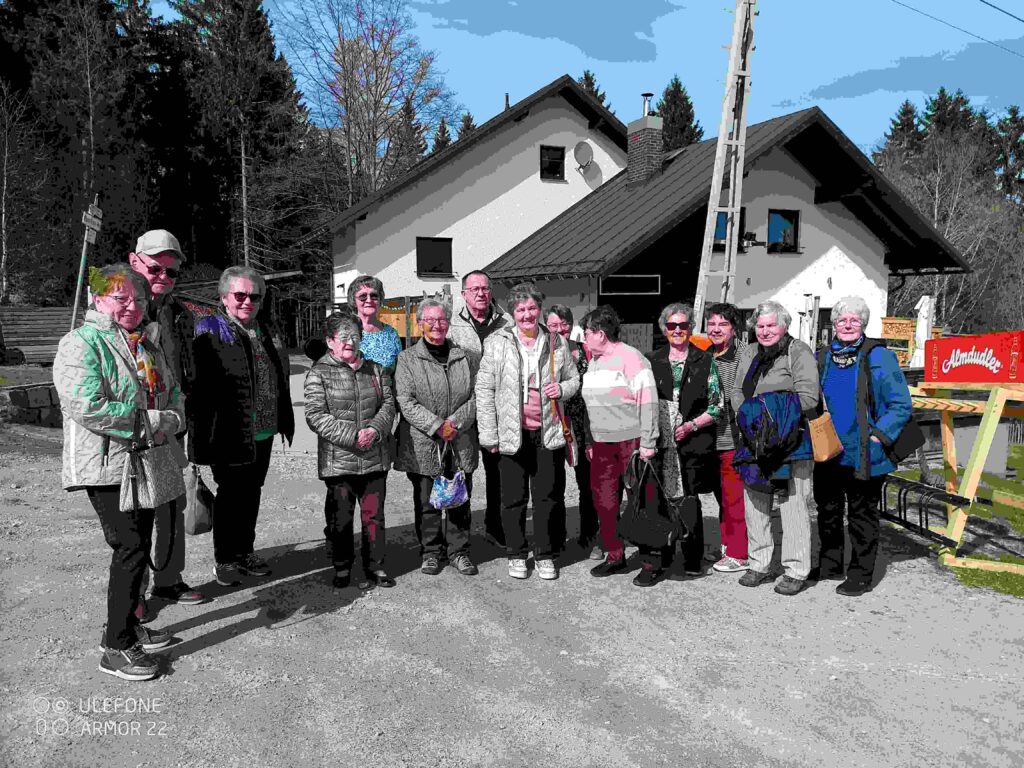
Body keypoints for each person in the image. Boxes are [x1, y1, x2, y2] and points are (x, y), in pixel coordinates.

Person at [54, 265, 182, 681]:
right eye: (120, 298)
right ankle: (116, 646)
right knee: (129, 547)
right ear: (97, 300)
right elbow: (86, 405)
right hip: (108, 465)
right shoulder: (81, 343)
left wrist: (173, 417)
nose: (132, 306)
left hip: (143, 459)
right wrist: (151, 421)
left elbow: (172, 392)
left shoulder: (145, 343)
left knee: (138, 545)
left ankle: (125, 626)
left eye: (139, 299)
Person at [187, 266, 294, 587]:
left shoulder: (267, 329)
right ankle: (225, 559)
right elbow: (198, 387)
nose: (248, 301)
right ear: (224, 297)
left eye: (255, 296)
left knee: (252, 492)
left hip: (264, 429)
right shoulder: (209, 329)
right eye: (240, 295)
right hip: (228, 431)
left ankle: (245, 551)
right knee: (230, 495)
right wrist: (198, 439)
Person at [476, 284, 580, 580]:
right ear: (512, 312)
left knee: (547, 497)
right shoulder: (497, 341)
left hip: (548, 432)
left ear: (540, 309)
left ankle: (545, 555)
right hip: (511, 432)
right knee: (513, 499)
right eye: (520, 309)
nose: (527, 314)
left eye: (532, 308)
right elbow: (484, 389)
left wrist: (562, 389)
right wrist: (488, 434)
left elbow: (574, 379)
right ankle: (517, 553)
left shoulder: (556, 341)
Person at [815, 296, 913, 596]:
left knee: (861, 515)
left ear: (864, 324)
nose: (847, 325)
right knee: (828, 510)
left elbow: (900, 404)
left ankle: (860, 574)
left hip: (864, 452)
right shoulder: (824, 357)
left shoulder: (879, 356)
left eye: (854, 320)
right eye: (842, 320)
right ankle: (830, 564)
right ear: (833, 324)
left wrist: (878, 436)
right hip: (828, 450)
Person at [127, 229, 204, 607]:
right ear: (134, 261)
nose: (163, 277)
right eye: (155, 268)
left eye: (171, 271)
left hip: (174, 426)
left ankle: (169, 580)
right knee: (137, 514)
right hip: (134, 430)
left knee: (173, 505)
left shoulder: (179, 313)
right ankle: (133, 594)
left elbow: (189, 371)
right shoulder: (121, 308)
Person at [731, 300, 818, 596]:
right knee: (755, 502)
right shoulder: (750, 352)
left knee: (794, 506)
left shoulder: (798, 351)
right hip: (754, 439)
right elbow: (736, 390)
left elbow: (809, 397)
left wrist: (767, 410)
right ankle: (759, 563)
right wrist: (747, 415)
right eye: (760, 326)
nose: (765, 331)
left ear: (784, 326)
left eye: (771, 325)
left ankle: (796, 569)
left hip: (790, 440)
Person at [305, 311, 397, 590]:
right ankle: (342, 566)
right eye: (343, 336)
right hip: (339, 461)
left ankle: (375, 565)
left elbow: (388, 405)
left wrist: (375, 431)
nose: (350, 341)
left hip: (374, 457)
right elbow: (315, 415)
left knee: (374, 517)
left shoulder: (375, 369)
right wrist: (353, 436)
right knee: (340, 518)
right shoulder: (319, 373)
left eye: (355, 336)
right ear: (330, 341)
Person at [394, 298, 480, 576]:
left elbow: (477, 395)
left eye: (442, 319)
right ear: (419, 323)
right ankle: (430, 552)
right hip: (424, 442)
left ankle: (459, 551)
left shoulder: (465, 357)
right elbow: (405, 401)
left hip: (460, 438)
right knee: (427, 501)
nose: (436, 325)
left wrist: (455, 422)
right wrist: (436, 425)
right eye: (429, 320)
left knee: (459, 498)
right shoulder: (407, 359)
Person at [640, 302, 723, 586]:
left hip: (693, 441)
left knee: (688, 500)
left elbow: (717, 405)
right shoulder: (651, 360)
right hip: (659, 442)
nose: (677, 330)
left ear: (691, 328)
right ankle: (659, 557)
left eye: (683, 325)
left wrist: (690, 426)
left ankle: (691, 558)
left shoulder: (705, 360)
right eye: (672, 325)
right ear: (664, 329)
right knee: (659, 499)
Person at [579, 305, 659, 578]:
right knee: (605, 502)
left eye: (586, 333)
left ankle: (650, 562)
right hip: (602, 445)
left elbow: (648, 401)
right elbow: (591, 406)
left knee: (640, 502)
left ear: (600, 334)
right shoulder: (594, 362)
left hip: (631, 442)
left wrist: (648, 442)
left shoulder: (632, 358)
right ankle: (615, 555)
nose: (584, 338)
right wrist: (591, 441)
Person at [447, 270, 511, 546]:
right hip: (465, 409)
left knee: (500, 473)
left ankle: (495, 527)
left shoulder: (507, 322)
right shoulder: (451, 324)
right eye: (474, 289)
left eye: (485, 288)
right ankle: (459, 537)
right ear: (463, 294)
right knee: (463, 471)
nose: (481, 293)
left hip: (498, 409)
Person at [546, 304, 600, 560]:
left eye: (564, 324)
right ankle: (555, 539)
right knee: (553, 485)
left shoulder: (585, 351)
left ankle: (590, 535)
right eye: (553, 325)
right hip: (554, 424)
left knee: (588, 483)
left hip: (583, 425)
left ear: (572, 324)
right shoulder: (542, 353)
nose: (559, 330)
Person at [704, 302, 750, 573]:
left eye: (723, 324)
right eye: (711, 324)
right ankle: (726, 546)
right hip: (712, 438)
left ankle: (739, 553)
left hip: (734, 437)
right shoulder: (706, 354)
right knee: (722, 497)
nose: (716, 329)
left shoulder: (745, 355)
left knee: (735, 498)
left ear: (734, 329)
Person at [348, 275, 402, 376]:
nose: (369, 300)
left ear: (380, 300)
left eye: (374, 296)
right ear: (354, 301)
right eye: (363, 296)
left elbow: (400, 372)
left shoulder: (391, 334)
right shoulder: (346, 332)